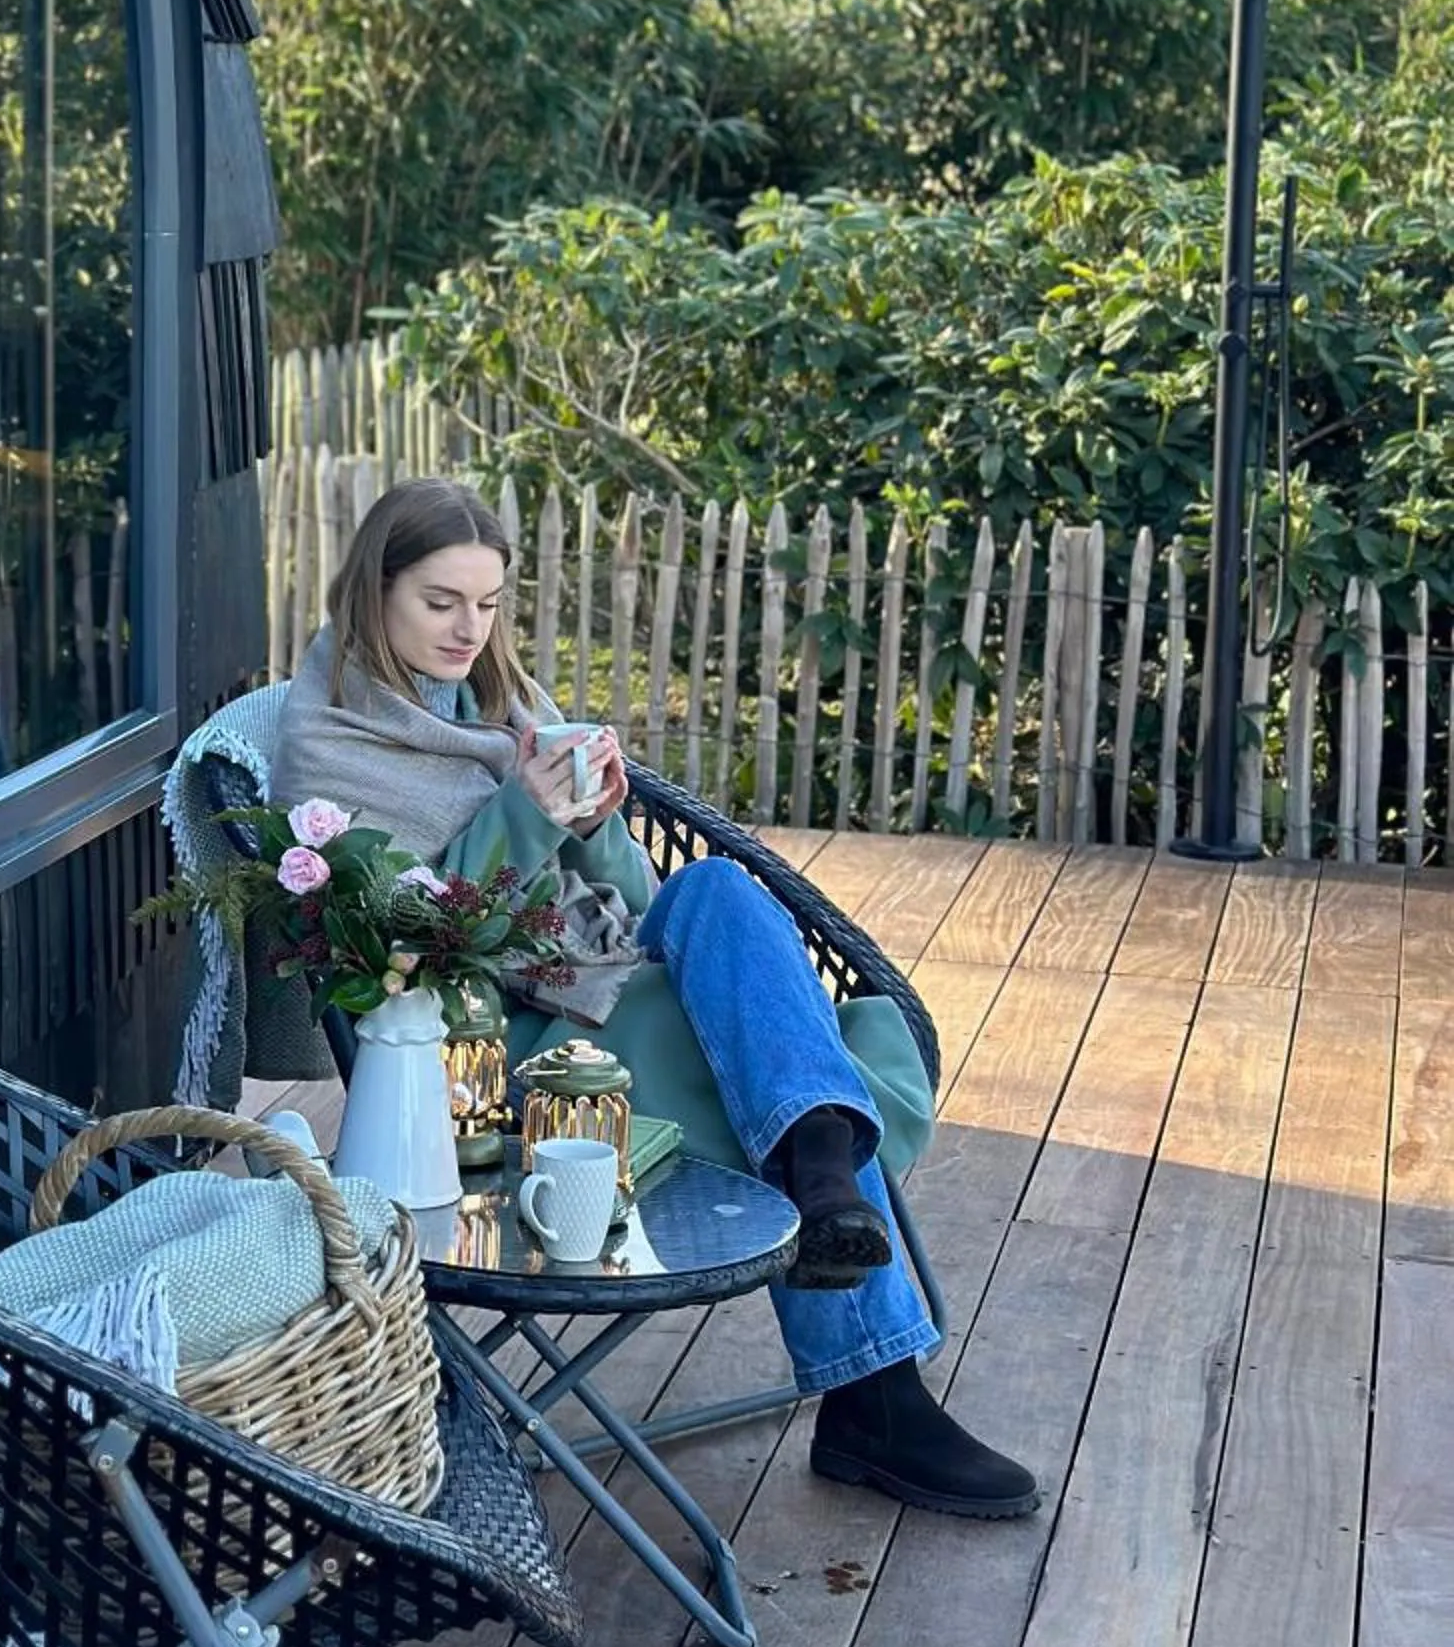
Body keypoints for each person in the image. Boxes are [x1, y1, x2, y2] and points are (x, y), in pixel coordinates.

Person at [271, 474, 1040, 1521]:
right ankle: (871, 1369)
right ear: (376, 590)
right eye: (440, 602)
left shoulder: (508, 708)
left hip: (602, 978)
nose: (469, 630)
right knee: (786, 1060)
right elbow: (411, 940)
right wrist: (526, 816)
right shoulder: (328, 746)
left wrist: (597, 825)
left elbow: (628, 905)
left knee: (715, 889)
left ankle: (823, 1184)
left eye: (488, 604)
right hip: (500, 1044)